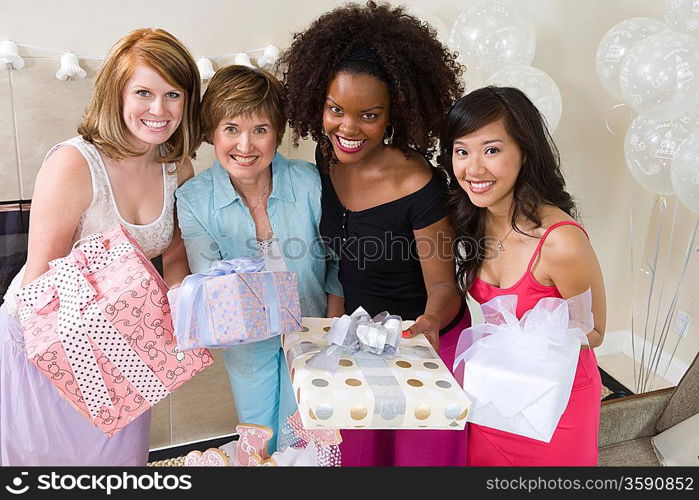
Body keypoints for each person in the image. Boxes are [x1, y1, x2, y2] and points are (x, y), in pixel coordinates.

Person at [279, 1, 470, 466]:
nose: (348, 127)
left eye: (369, 115)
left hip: (420, 341)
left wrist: (425, 325)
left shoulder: (417, 183)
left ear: (393, 116)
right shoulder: (325, 165)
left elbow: (444, 285)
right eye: (336, 109)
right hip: (357, 341)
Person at [0, 28, 201, 466]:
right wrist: (74, 372)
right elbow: (38, 279)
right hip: (46, 339)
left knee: (120, 465)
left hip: (121, 341)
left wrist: (181, 321)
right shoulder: (73, 164)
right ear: (117, 94)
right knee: (45, 464)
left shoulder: (175, 163)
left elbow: (176, 256)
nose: (158, 109)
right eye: (144, 92)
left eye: (173, 95)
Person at [175, 65, 343, 454]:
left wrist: (330, 328)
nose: (245, 145)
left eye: (260, 130)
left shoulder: (310, 182)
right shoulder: (195, 199)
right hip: (246, 340)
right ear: (211, 132)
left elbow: (337, 260)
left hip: (314, 329)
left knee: (303, 436)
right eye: (231, 128)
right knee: (258, 439)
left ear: (277, 134)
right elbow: (210, 279)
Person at [440, 86, 606, 466]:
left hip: (556, 403)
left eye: (492, 150)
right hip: (495, 395)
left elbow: (594, 332)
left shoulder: (561, 243)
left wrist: (530, 337)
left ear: (524, 152)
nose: (474, 168)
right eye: (462, 150)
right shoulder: (472, 219)